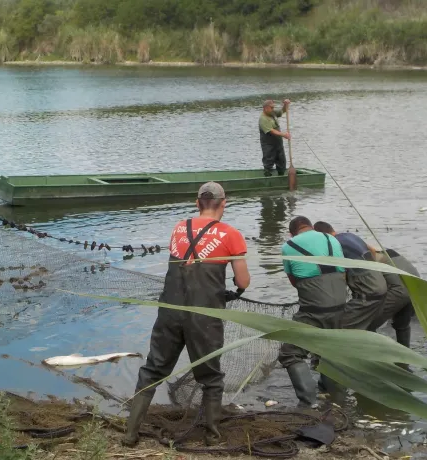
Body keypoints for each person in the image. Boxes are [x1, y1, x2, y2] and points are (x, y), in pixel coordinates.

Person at [124, 182, 250, 448]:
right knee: (211, 378)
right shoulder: (231, 235)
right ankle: (212, 437)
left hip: (170, 311)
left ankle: (130, 434)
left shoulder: (180, 228)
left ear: (197, 202)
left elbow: (185, 262)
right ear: (223, 203)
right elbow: (243, 281)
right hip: (204, 317)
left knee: (153, 370)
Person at [279, 216, 348, 408]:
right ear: (310, 226)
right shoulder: (331, 239)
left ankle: (308, 403)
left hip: (314, 308)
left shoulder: (289, 245)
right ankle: (336, 398)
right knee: (330, 349)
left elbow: (295, 281)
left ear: (291, 232)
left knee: (290, 353)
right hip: (341, 305)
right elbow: (343, 270)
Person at [366, 248, 420, 350]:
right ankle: (405, 359)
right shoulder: (377, 249)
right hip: (414, 282)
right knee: (402, 325)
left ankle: (374, 358)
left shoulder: (362, 256)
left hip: (400, 288)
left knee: (366, 323)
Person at [259, 99, 291, 177]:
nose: (273, 109)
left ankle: (281, 176)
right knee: (268, 162)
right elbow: (272, 131)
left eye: (273, 107)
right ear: (265, 108)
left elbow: (282, 111)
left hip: (278, 144)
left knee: (281, 162)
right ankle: (267, 178)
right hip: (268, 145)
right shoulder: (263, 118)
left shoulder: (272, 113)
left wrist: (286, 105)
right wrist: (284, 134)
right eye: (271, 107)